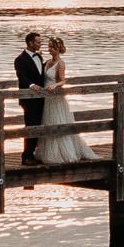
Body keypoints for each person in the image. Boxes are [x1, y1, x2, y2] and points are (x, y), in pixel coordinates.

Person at [36, 35, 102, 165]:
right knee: (47, 121)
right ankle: (47, 151)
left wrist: (55, 85)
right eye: (48, 46)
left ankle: (63, 151)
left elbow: (63, 80)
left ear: (58, 49)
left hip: (56, 97)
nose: (49, 49)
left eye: (52, 47)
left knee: (57, 120)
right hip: (46, 97)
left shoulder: (60, 63)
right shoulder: (48, 62)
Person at [15, 32, 49, 165]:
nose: (40, 44)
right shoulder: (20, 59)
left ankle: (33, 154)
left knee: (39, 126)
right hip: (28, 99)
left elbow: (40, 74)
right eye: (38, 42)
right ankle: (26, 156)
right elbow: (22, 76)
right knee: (30, 126)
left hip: (41, 98)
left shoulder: (39, 57)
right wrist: (31, 85)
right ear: (30, 43)